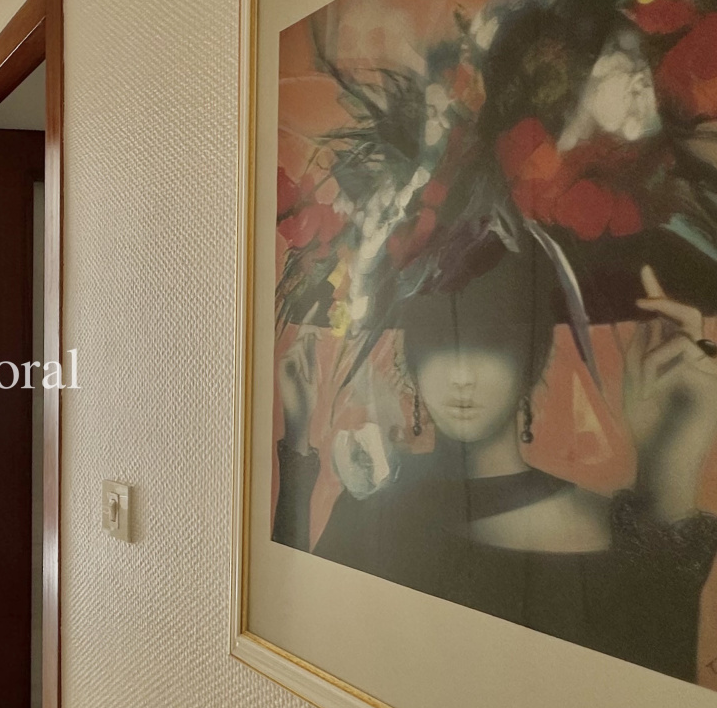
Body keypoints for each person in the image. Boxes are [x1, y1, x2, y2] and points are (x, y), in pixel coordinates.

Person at [272, 251, 717, 681]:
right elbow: (298, 632)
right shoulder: (369, 508)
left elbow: (647, 695)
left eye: (492, 341)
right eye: (440, 339)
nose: (462, 375)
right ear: (414, 357)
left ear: (533, 358)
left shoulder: (613, 531)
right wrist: (297, 433)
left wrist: (674, 457)